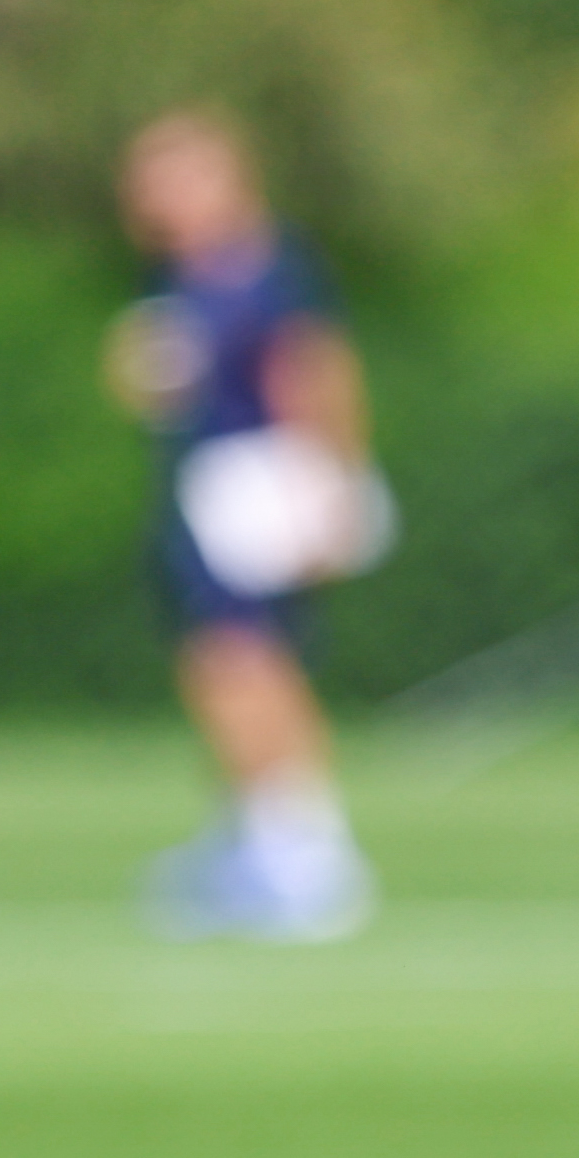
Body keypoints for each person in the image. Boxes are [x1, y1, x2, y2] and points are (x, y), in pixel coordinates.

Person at [109, 109, 379, 942]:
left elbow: (317, 369)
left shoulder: (266, 266)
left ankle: (298, 849)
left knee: (245, 660)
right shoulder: (177, 276)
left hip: (258, 483)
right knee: (226, 661)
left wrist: (332, 479)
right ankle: (262, 835)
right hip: (207, 487)